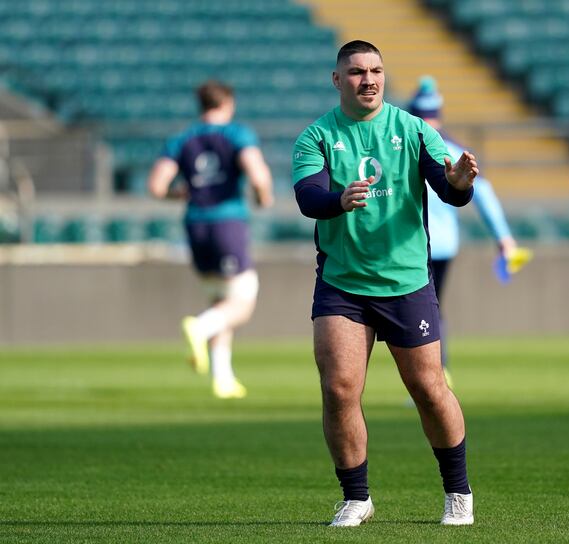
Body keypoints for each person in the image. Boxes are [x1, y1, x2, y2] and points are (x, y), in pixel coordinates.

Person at [292, 40, 477, 526]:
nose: (368, 79)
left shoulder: (414, 130)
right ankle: (357, 497)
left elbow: (448, 189)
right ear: (338, 80)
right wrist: (337, 199)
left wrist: (459, 183)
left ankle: (458, 492)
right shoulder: (315, 137)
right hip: (342, 283)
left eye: (375, 70)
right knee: (339, 388)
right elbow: (309, 197)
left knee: (428, 387)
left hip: (406, 282)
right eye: (355, 72)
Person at [147, 79, 274, 400]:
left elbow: (156, 186)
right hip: (226, 222)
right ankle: (200, 328)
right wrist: (262, 196)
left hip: (195, 224)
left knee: (221, 299)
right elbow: (257, 174)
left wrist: (181, 193)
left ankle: (223, 378)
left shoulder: (182, 139)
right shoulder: (236, 134)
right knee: (242, 302)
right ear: (228, 104)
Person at [407, 76, 531, 385]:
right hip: (445, 244)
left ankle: (432, 374)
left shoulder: (406, 145)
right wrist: (503, 238)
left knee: (420, 311)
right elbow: (484, 194)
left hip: (414, 243)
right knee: (431, 307)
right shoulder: (455, 148)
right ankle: (434, 371)